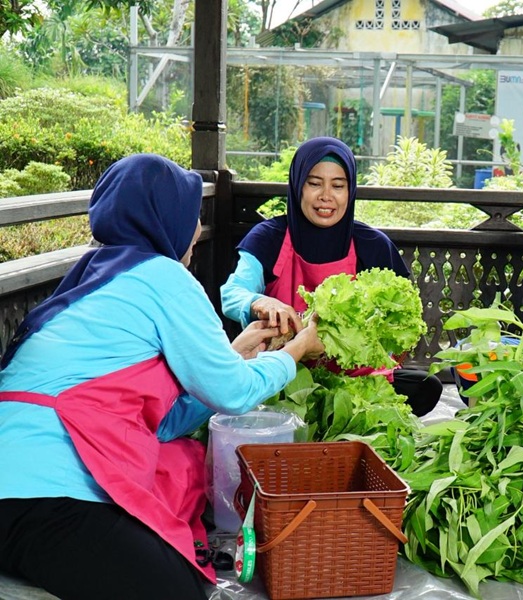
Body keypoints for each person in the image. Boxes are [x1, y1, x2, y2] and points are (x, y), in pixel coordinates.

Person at [0, 154, 325, 600]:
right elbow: (235, 392)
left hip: (19, 489)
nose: (196, 228)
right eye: (193, 215)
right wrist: (298, 349)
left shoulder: (92, 273)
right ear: (165, 216)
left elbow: (162, 420)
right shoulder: (163, 276)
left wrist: (234, 352)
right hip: (46, 496)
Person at [220, 136, 442, 417]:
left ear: (350, 191)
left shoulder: (372, 245)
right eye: (314, 183)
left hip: (352, 379)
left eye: (338, 185)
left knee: (426, 386)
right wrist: (258, 302)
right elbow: (232, 293)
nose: (326, 196)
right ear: (298, 185)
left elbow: (399, 328)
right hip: (284, 375)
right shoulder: (269, 238)